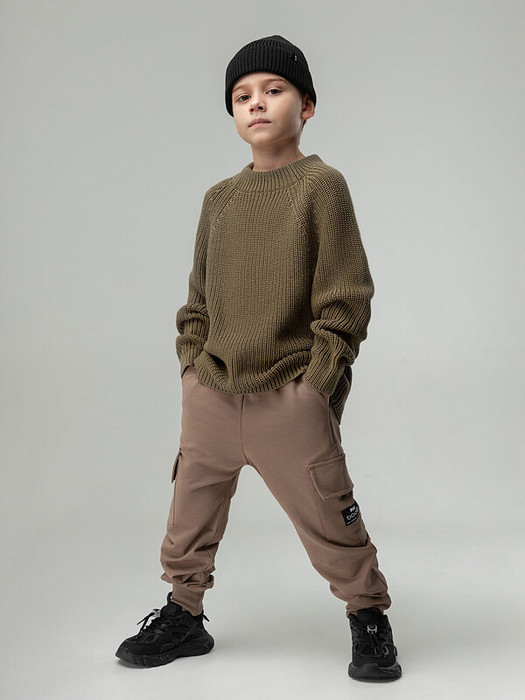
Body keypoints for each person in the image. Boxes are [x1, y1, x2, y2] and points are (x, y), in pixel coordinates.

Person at [115, 34, 402, 683]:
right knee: (188, 517)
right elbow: (197, 299)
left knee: (329, 515)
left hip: (288, 396)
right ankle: (184, 613)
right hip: (212, 393)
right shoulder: (219, 198)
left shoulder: (321, 187)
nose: (257, 103)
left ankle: (367, 614)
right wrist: (192, 371)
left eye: (274, 89)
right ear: (233, 112)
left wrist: (316, 385)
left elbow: (346, 295)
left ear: (307, 106)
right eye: (242, 95)